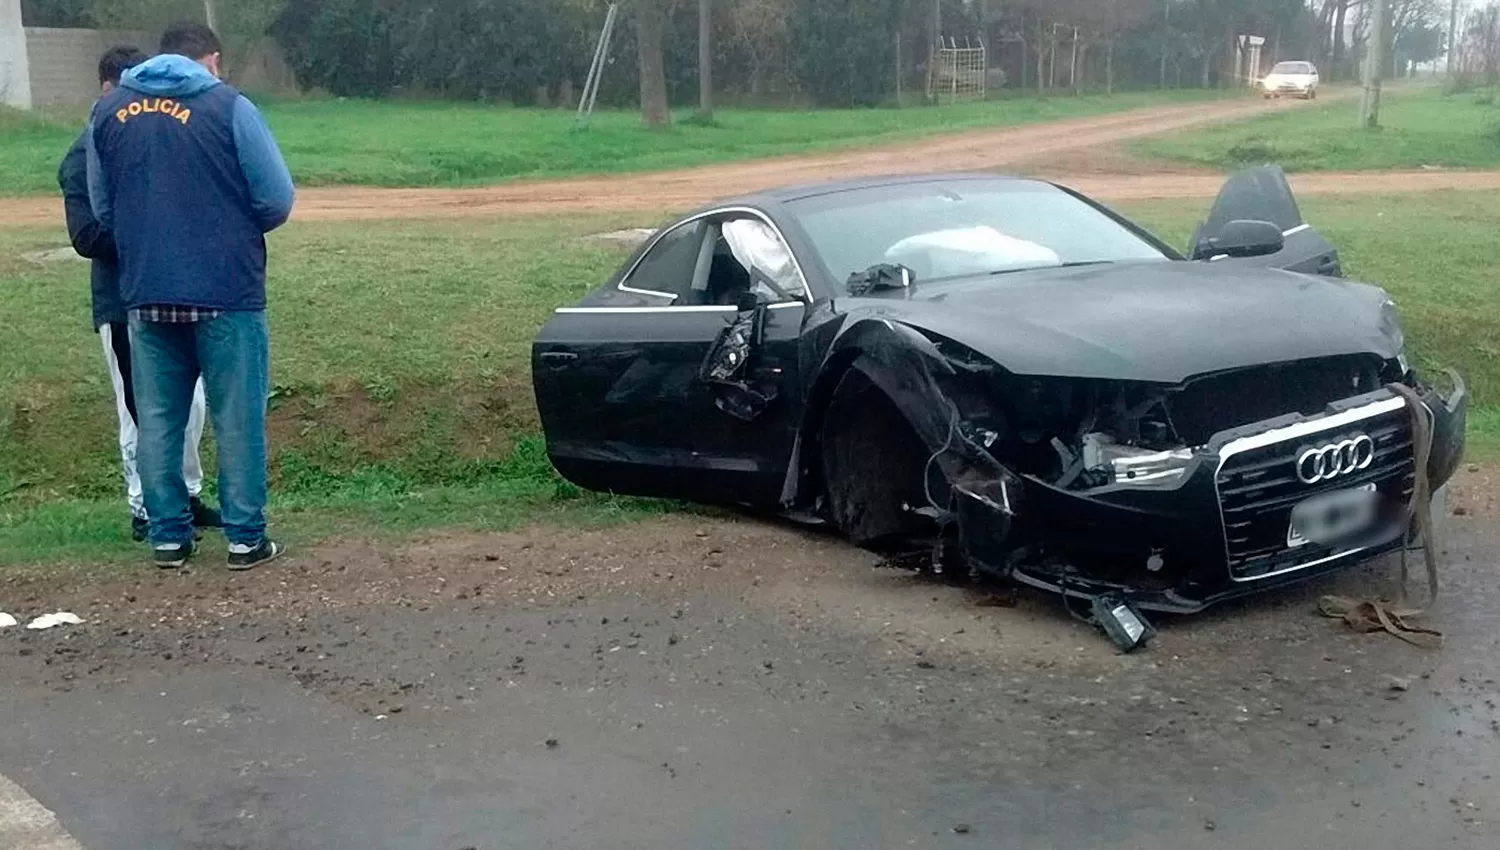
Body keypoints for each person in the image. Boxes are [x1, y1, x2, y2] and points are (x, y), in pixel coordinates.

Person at [86, 21, 295, 570]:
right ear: (212, 61)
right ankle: (246, 539)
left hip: (146, 289)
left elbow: (103, 208)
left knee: (157, 418)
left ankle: (168, 538)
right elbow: (275, 198)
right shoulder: (229, 107)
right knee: (237, 418)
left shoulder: (107, 113)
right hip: (226, 288)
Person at [58, 45, 222, 544]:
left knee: (191, 403)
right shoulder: (82, 154)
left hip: (175, 292)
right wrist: (151, 234)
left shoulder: (151, 139)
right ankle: (145, 505)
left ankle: (185, 494)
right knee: (139, 410)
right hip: (122, 300)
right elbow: (87, 236)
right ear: (108, 88)